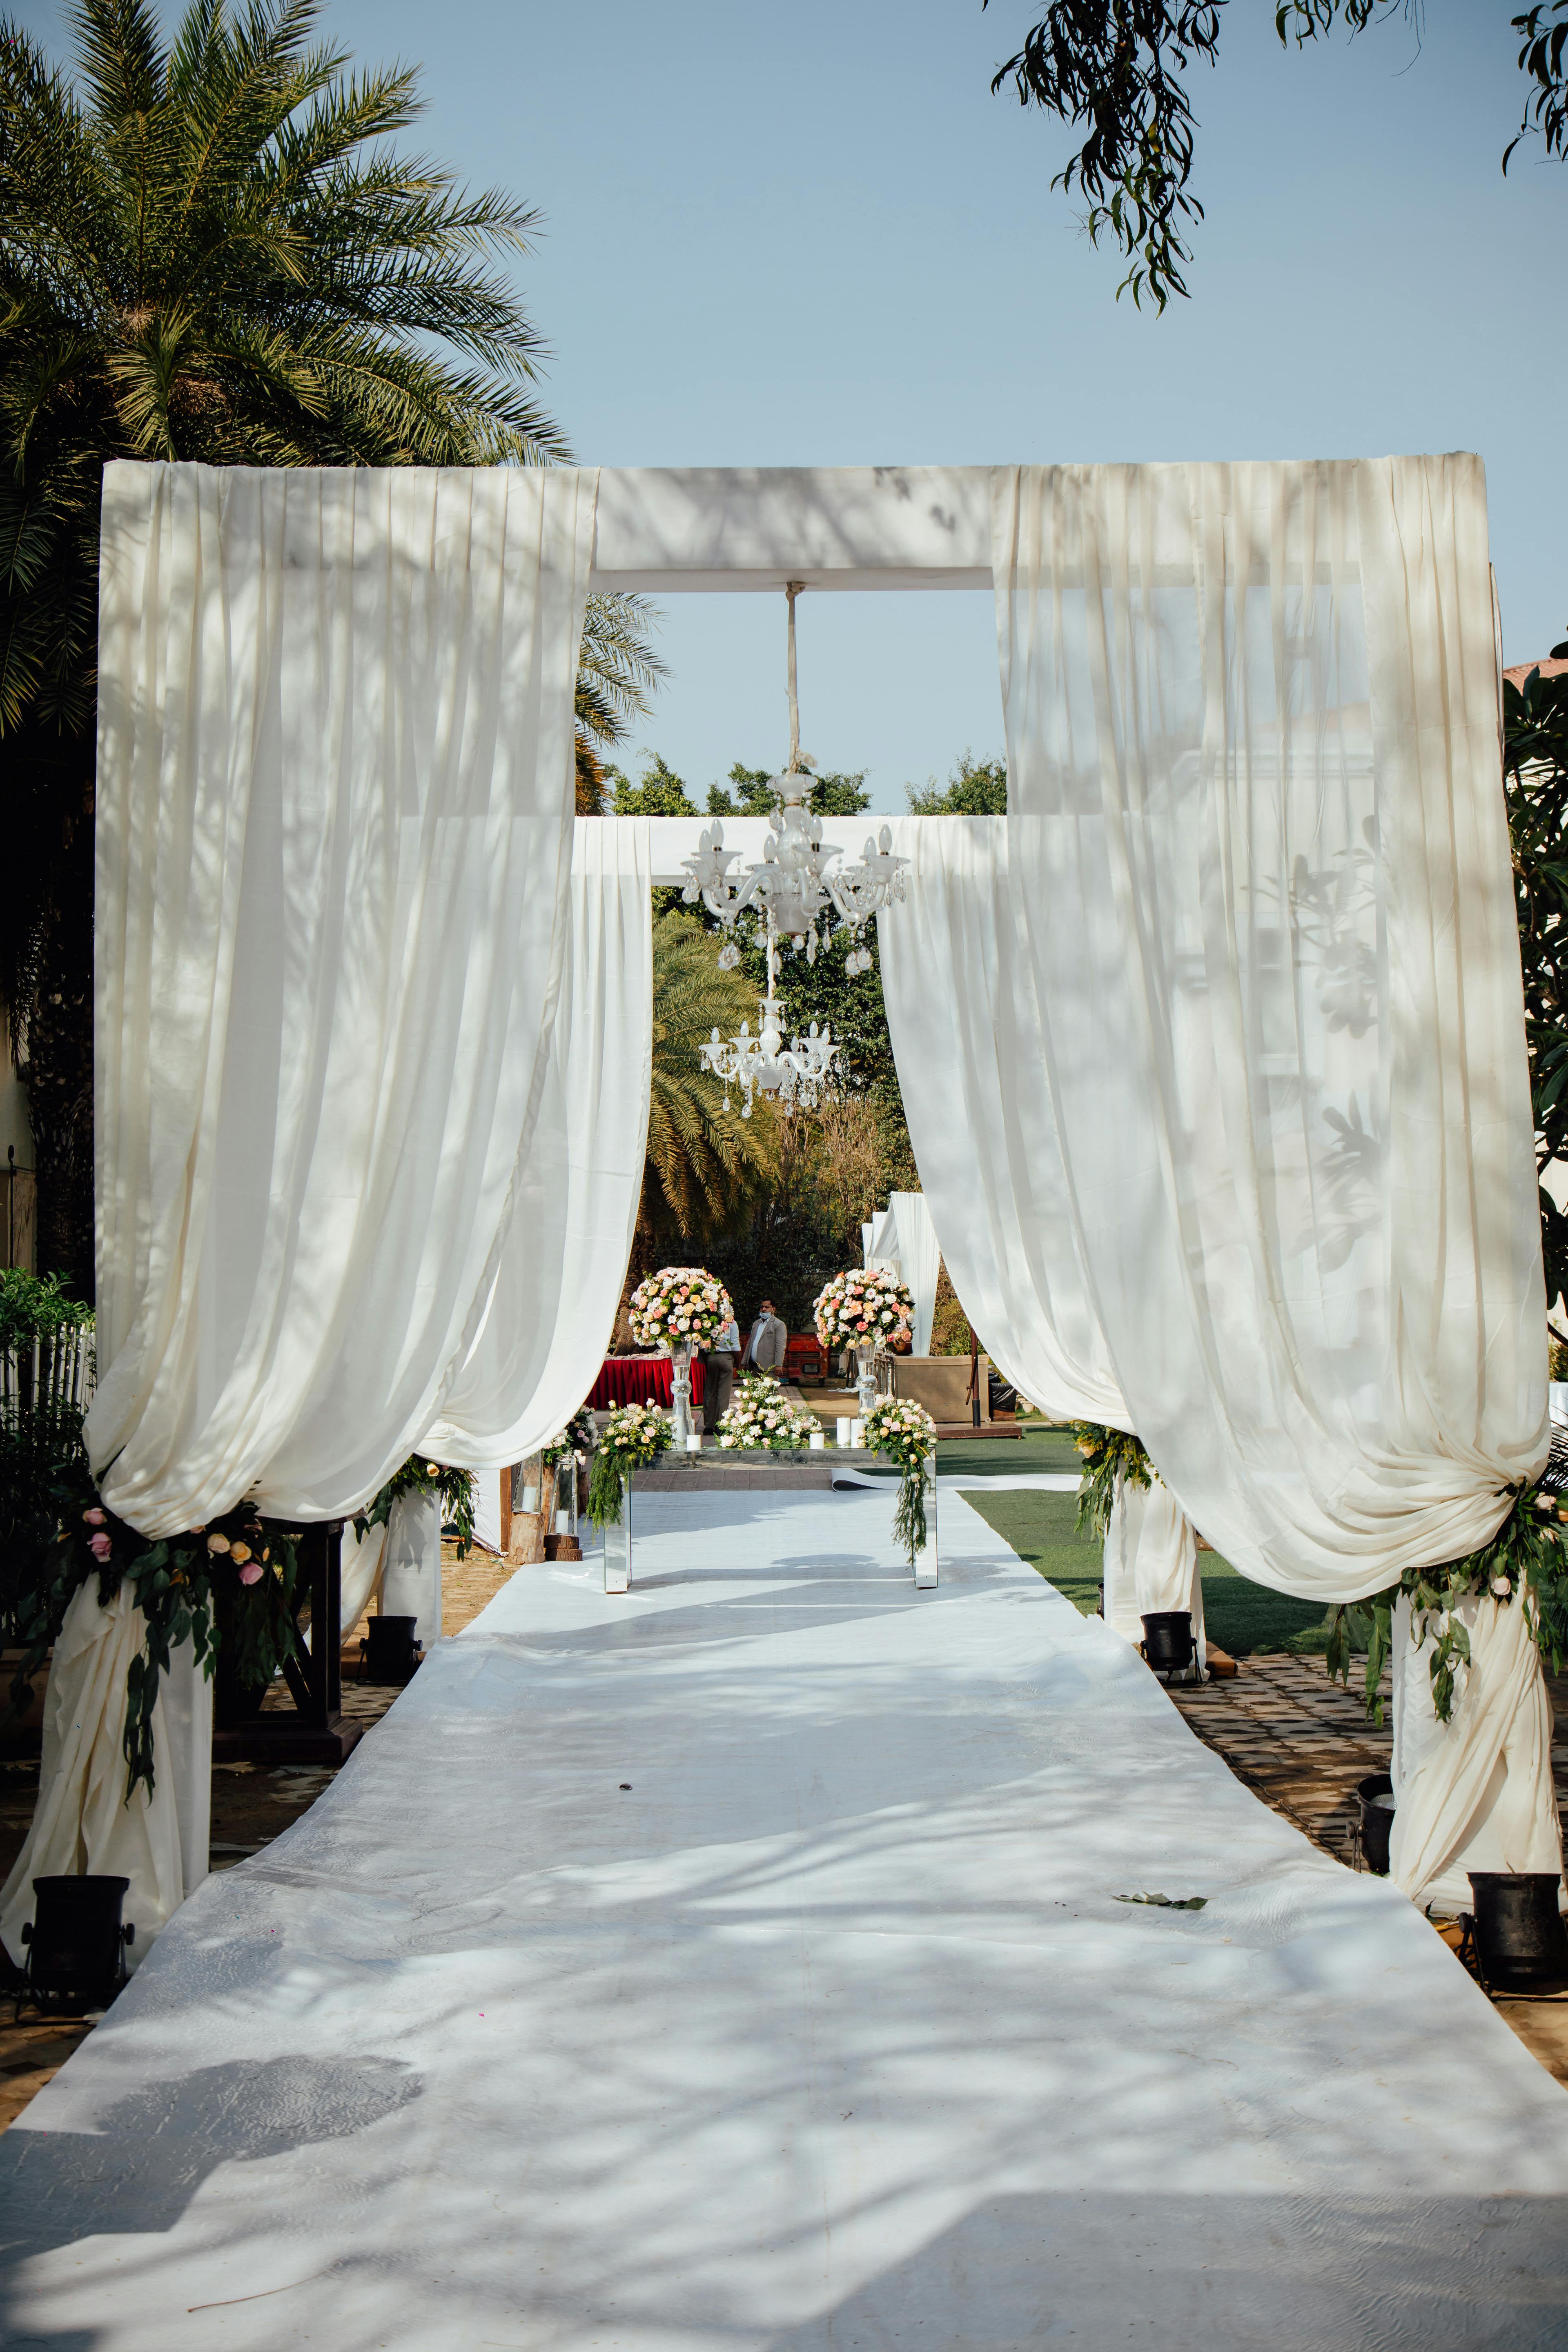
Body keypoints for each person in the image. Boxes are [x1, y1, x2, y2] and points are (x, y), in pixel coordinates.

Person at [705, 1309, 740, 1434]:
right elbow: (735, 1344)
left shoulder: (707, 1321)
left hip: (711, 1356)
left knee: (710, 1392)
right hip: (727, 1357)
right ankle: (721, 1425)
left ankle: (709, 1426)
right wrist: (739, 1366)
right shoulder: (732, 1322)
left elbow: (701, 1343)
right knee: (724, 1394)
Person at [743, 1298, 788, 1376]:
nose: (764, 1309)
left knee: (770, 1385)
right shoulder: (756, 1324)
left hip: (770, 1368)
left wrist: (778, 1365)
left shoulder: (778, 1324)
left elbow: (780, 1347)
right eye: (762, 1307)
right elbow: (750, 1344)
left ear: (774, 1309)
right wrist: (744, 1362)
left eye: (767, 1307)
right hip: (755, 1367)